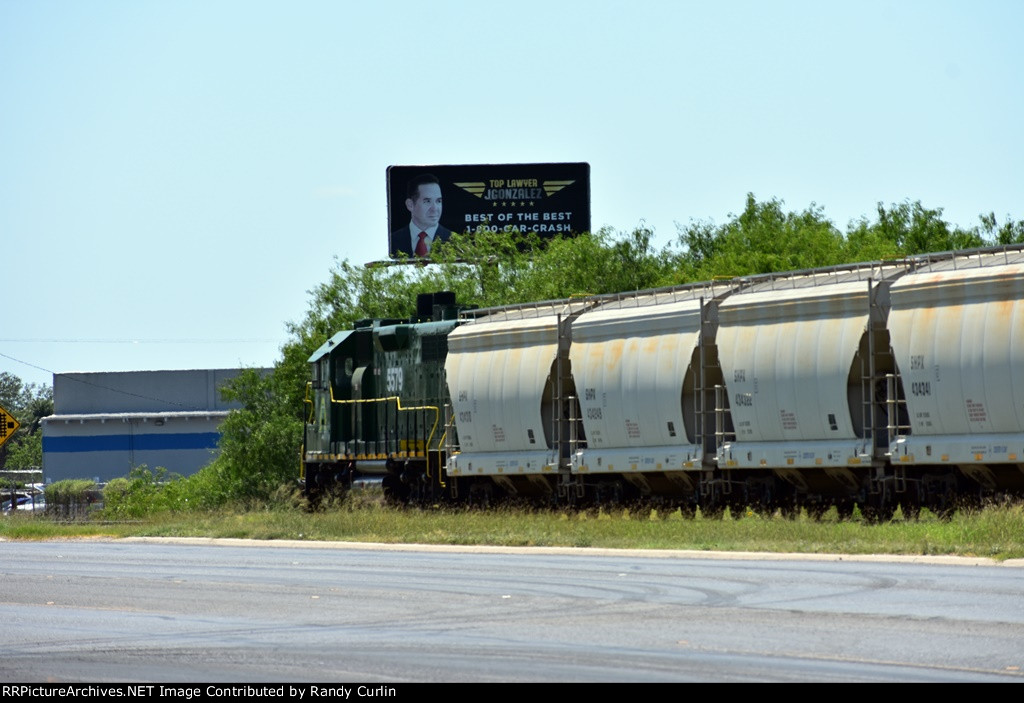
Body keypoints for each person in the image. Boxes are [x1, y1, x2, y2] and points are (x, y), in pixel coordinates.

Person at [390, 173, 453, 258]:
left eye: (438, 201)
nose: (435, 209)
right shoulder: (391, 241)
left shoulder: (457, 243)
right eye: (427, 201)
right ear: (410, 205)